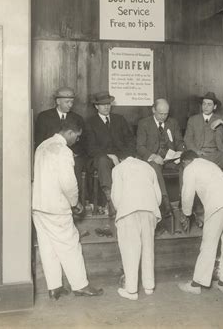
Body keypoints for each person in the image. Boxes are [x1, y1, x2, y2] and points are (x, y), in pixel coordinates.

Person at [32, 119, 103, 300]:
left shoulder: (42, 146)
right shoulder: (63, 151)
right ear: (70, 133)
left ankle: (54, 287)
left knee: (48, 247)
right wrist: (75, 203)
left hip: (38, 205)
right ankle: (80, 286)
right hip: (56, 207)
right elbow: (68, 183)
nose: (77, 141)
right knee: (70, 245)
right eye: (77, 137)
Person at [177, 150, 223, 295]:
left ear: (185, 162)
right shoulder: (209, 164)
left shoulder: (190, 168)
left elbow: (187, 195)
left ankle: (196, 285)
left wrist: (186, 214)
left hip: (218, 204)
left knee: (209, 244)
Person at [111, 156, 162, 300]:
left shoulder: (118, 168)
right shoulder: (148, 167)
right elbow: (158, 197)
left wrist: (121, 209)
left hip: (129, 210)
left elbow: (116, 197)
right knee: (148, 249)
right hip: (150, 209)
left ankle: (131, 291)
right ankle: (149, 286)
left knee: (130, 250)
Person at [84, 91, 136, 216]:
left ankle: (131, 202)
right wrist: (110, 155)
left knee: (133, 163)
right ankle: (110, 201)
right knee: (103, 162)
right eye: (102, 105)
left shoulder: (119, 119)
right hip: (99, 158)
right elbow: (90, 148)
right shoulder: (90, 122)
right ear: (96, 106)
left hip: (120, 157)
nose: (106, 107)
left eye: (108, 104)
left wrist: (125, 156)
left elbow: (130, 140)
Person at [34, 86, 87, 199]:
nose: (70, 105)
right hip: (49, 157)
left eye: (72, 102)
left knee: (75, 166)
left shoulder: (78, 119)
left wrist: (74, 153)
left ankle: (76, 201)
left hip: (73, 157)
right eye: (67, 102)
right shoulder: (44, 117)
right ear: (58, 101)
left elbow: (83, 142)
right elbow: (39, 141)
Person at [136, 98, 185, 216]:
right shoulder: (144, 123)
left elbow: (179, 141)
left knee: (185, 166)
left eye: (166, 114)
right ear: (153, 110)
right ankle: (165, 202)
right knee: (154, 167)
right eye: (161, 113)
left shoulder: (173, 123)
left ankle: (184, 200)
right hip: (154, 160)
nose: (164, 116)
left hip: (170, 159)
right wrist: (152, 156)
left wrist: (181, 152)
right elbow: (140, 147)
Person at [184, 91, 223, 184]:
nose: (205, 107)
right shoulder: (193, 119)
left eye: (209, 104)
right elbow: (187, 139)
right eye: (204, 104)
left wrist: (222, 121)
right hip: (198, 154)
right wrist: (196, 151)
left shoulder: (218, 118)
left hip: (215, 155)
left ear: (214, 107)